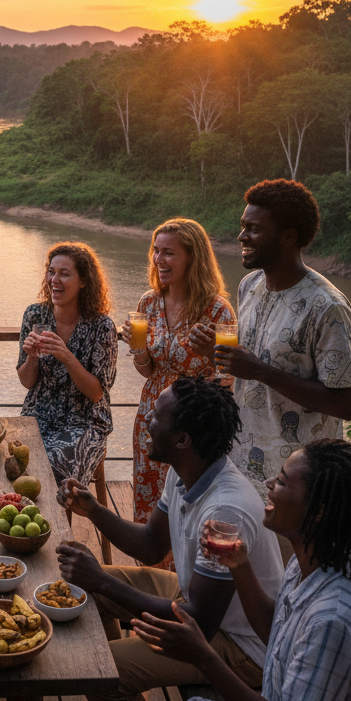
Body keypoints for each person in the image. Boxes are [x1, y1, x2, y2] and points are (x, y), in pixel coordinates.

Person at [120, 439, 351, 701]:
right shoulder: (314, 560)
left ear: (318, 510)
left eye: (283, 481)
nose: (269, 483)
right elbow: (275, 630)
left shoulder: (335, 617)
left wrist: (205, 657)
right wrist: (240, 566)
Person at [57, 377, 285, 701]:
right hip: (194, 599)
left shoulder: (225, 510)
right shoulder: (184, 470)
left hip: (241, 643)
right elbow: (150, 546)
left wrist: (100, 578)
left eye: (156, 416)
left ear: (183, 439)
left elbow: (199, 623)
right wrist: (94, 511)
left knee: (100, 671)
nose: (146, 418)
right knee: (75, 589)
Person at [190, 180, 351, 500]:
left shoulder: (327, 306)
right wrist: (217, 349)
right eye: (243, 227)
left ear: (288, 237)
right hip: (241, 466)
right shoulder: (249, 286)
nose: (241, 236)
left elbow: (346, 404)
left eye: (253, 229)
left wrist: (260, 371)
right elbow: (260, 354)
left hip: (298, 483)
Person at [124, 219, 233, 561]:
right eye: (156, 250)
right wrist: (138, 348)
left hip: (193, 425)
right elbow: (148, 371)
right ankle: (149, 579)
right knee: (148, 504)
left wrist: (211, 355)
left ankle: (185, 588)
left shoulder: (216, 310)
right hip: (153, 417)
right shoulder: (149, 303)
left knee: (189, 508)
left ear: (193, 258)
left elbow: (228, 379)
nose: (159, 259)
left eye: (169, 252)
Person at [17, 241, 118, 486]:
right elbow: (26, 381)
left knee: (52, 465)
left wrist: (66, 356)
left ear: (83, 281)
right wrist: (31, 357)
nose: (54, 279)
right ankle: (20, 517)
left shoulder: (102, 327)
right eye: (51, 272)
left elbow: (96, 393)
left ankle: (53, 522)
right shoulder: (35, 315)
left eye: (64, 274)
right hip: (38, 412)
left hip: (84, 419)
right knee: (12, 461)